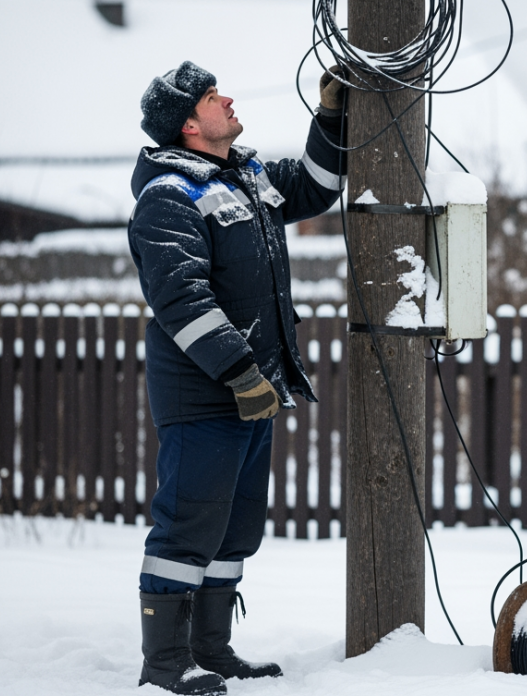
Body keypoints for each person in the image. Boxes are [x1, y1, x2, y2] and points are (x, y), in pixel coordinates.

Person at [128, 61, 347, 696]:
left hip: (255, 388)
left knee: (234, 528)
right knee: (189, 524)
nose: (227, 99)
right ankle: (165, 666)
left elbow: (313, 187)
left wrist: (330, 116)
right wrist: (239, 372)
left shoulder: (245, 175)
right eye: (211, 96)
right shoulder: (169, 195)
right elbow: (182, 298)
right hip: (204, 392)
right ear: (190, 125)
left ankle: (212, 650)